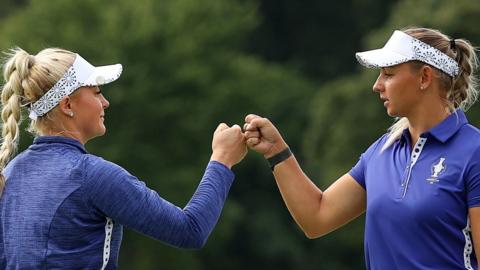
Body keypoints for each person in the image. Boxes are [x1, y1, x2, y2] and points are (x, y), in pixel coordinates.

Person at [244, 27, 480, 269]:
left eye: (388, 74)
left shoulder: (474, 153)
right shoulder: (380, 152)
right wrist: (276, 151)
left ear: (424, 78)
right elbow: (317, 217)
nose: (377, 85)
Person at [0, 47, 247, 269]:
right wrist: (222, 159)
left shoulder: (10, 173)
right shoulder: (91, 175)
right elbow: (190, 231)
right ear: (67, 105)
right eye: (96, 92)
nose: (105, 102)